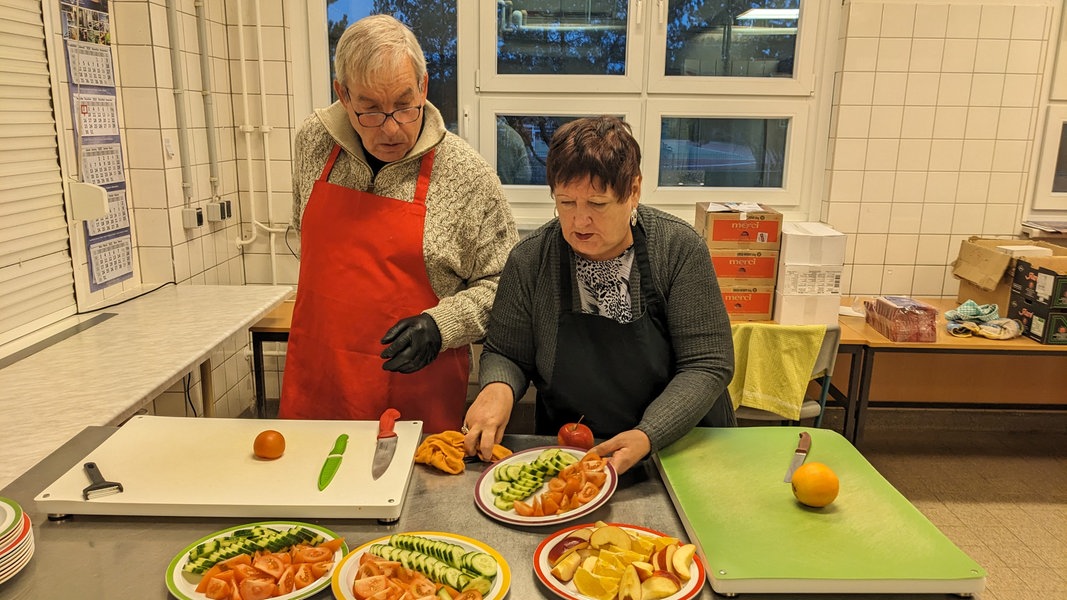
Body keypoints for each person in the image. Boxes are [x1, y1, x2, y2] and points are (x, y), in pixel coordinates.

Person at [279, 15, 519, 432]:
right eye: (370, 109)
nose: (391, 128)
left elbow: (507, 288)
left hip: (416, 396)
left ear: (423, 89)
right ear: (343, 95)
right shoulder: (312, 144)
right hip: (319, 385)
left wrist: (441, 326)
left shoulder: (467, 176)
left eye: (404, 106)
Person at [462, 116, 735, 475]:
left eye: (598, 204)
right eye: (566, 202)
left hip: (679, 449)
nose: (579, 222)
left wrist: (648, 434)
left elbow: (708, 363)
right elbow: (506, 352)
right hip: (576, 455)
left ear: (633, 191)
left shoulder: (678, 249)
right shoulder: (530, 259)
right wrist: (498, 387)